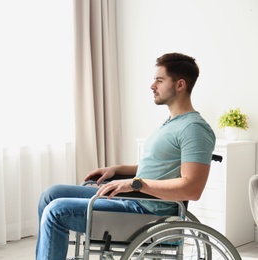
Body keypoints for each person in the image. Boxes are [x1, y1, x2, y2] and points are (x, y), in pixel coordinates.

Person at [36, 53, 216, 260]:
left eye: (159, 80)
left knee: (56, 211)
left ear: (180, 85)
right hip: (135, 201)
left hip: (148, 213)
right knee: (51, 194)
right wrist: (118, 169)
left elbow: (192, 188)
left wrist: (135, 184)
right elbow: (158, 168)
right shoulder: (172, 122)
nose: (152, 86)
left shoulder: (194, 129)